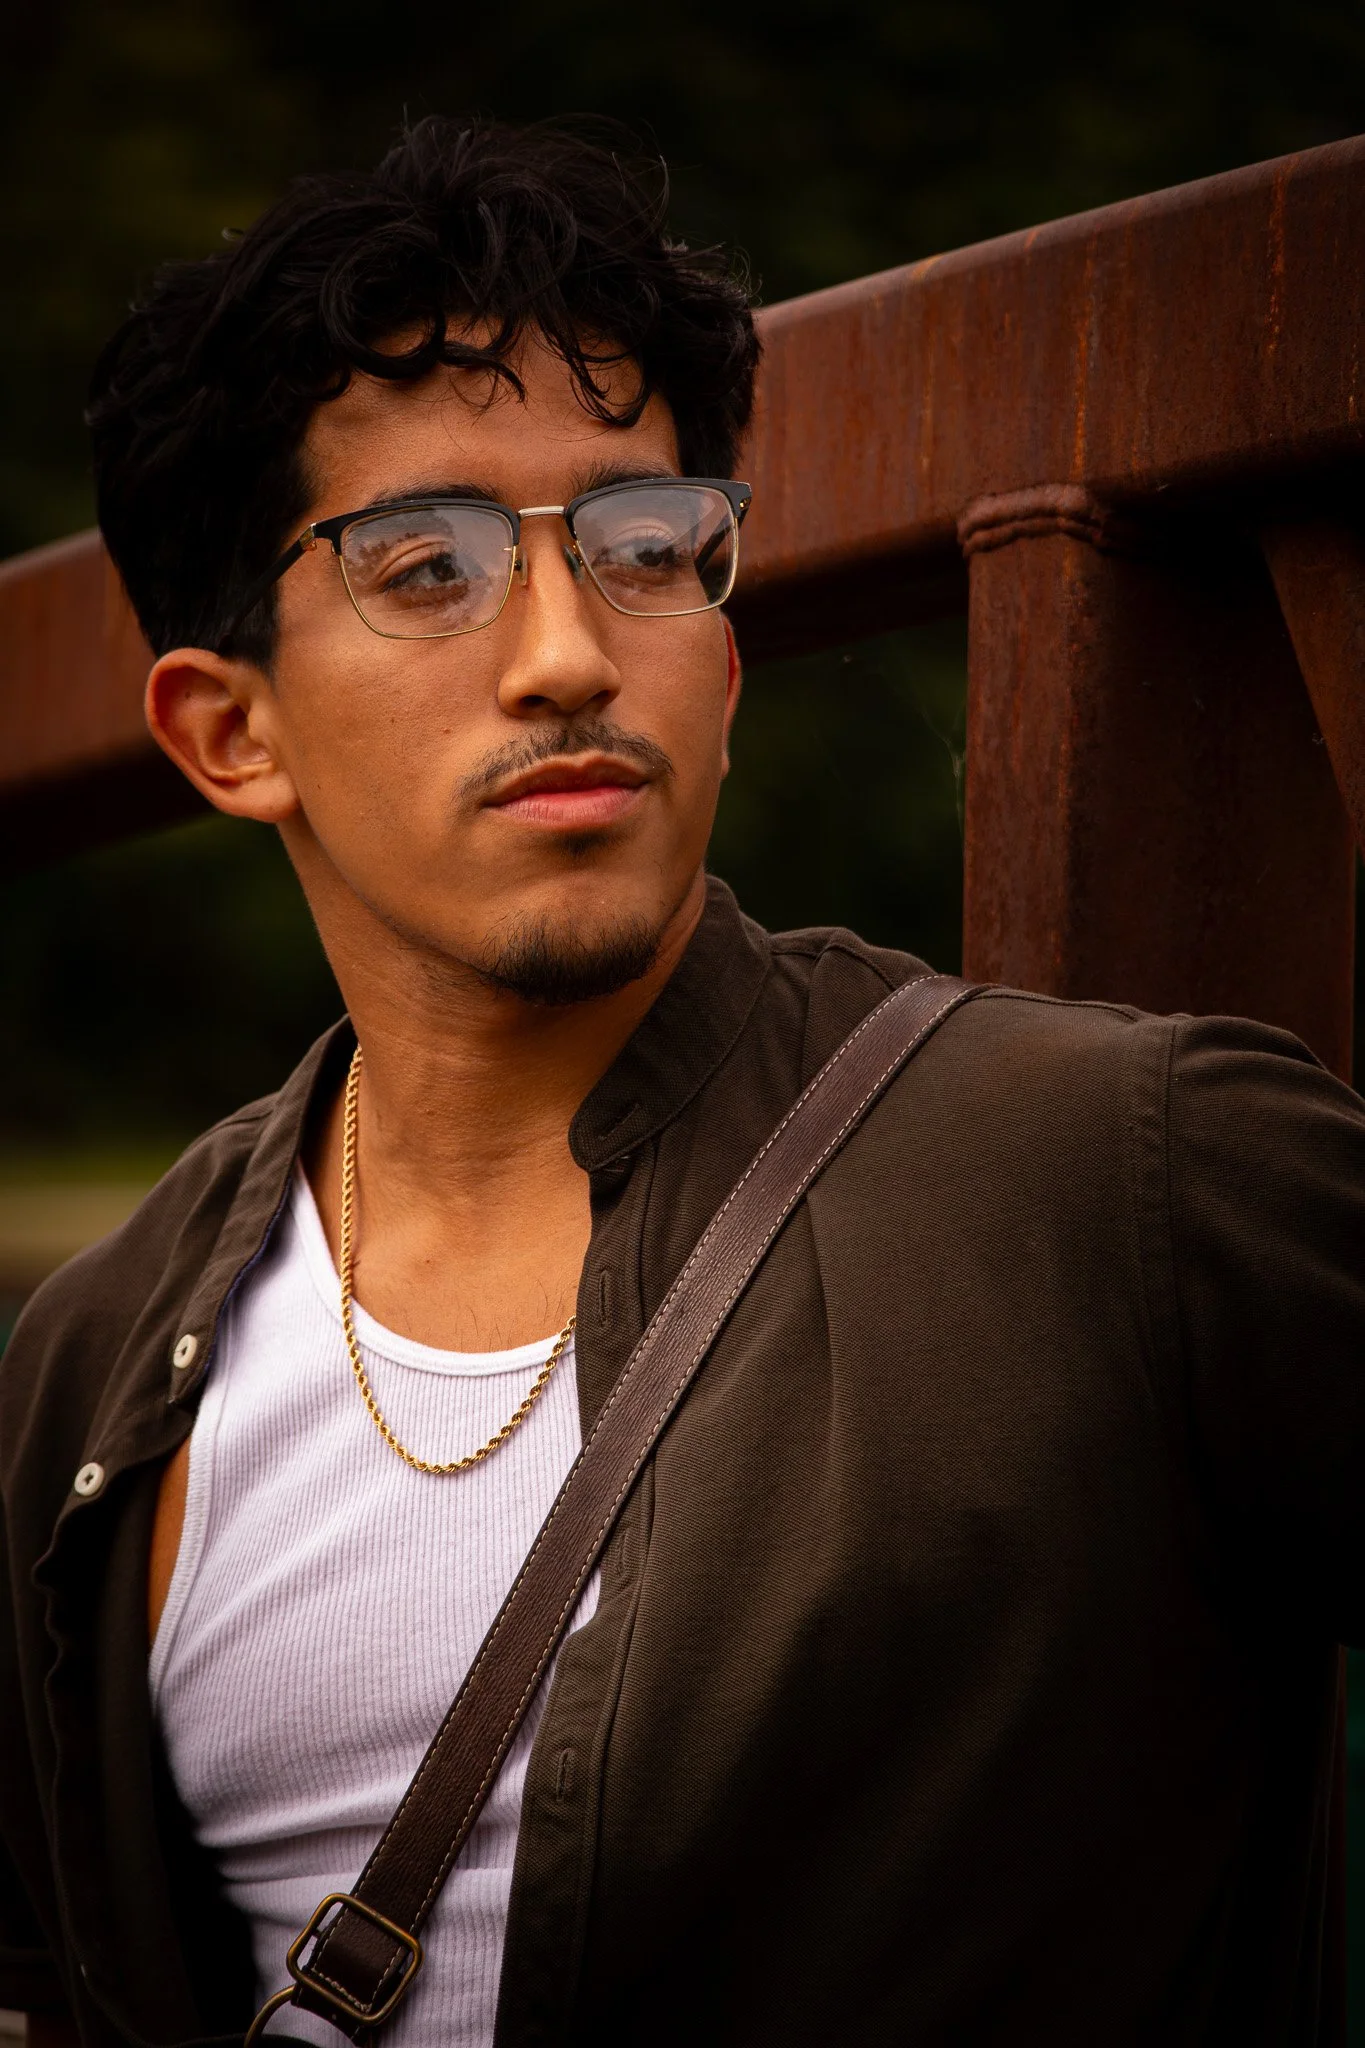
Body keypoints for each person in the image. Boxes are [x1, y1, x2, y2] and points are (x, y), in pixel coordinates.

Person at [2, 113, 1363, 2048]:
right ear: (229, 734)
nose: (568, 652)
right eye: (426, 566)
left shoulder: (1131, 1178)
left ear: (724, 656)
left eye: (647, 547)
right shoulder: (97, 1366)